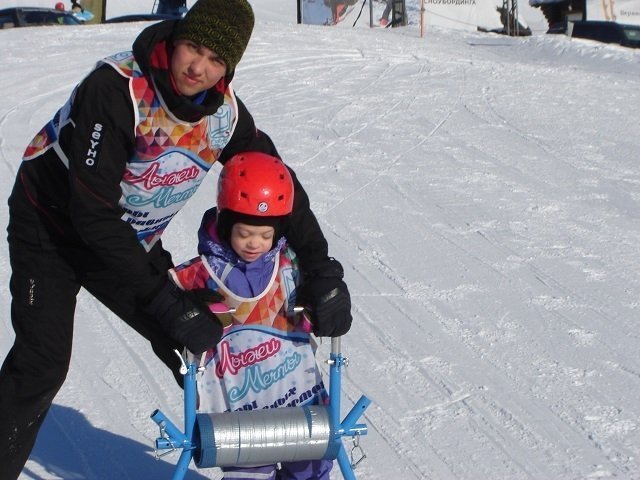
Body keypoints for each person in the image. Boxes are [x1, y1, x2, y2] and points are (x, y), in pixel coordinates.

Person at [0, 0, 352, 478]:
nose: (198, 68)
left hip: (127, 238)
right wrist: (163, 299)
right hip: (51, 228)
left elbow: (276, 182)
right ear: (176, 38)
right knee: (42, 363)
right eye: (194, 48)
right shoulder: (118, 89)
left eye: (215, 60)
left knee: (205, 348)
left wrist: (321, 266)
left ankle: (265, 464)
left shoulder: (223, 114)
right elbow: (91, 213)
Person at [170, 151, 334, 479]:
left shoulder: (290, 266)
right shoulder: (201, 275)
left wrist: (323, 303)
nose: (254, 244)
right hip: (239, 405)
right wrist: (184, 311)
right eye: (244, 233)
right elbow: (161, 305)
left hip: (296, 394)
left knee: (311, 468)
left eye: (265, 235)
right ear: (225, 221)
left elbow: (316, 302)